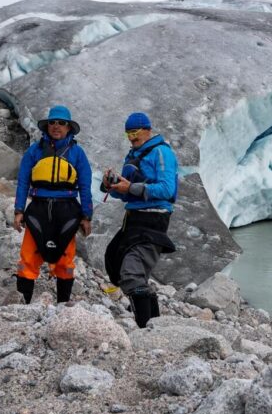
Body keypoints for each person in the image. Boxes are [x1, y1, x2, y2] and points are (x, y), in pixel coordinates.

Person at [102, 112, 178, 328]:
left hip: (153, 219)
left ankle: (145, 329)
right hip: (133, 218)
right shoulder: (134, 154)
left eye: (135, 133)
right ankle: (153, 323)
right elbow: (127, 193)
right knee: (113, 259)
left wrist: (131, 187)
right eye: (128, 134)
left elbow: (166, 189)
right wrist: (112, 187)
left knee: (132, 274)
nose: (131, 138)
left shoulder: (161, 152)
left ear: (147, 129)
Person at [13, 105, 93, 304]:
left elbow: (85, 185)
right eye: (52, 122)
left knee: (65, 259)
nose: (56, 126)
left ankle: (63, 306)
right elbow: (23, 181)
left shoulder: (77, 154)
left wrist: (86, 216)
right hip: (38, 208)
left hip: (67, 210)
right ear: (47, 126)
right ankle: (24, 304)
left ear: (69, 128)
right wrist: (19, 210)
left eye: (61, 123)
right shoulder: (35, 151)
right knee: (28, 256)